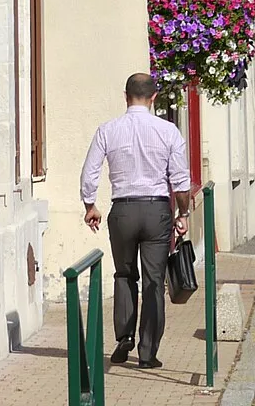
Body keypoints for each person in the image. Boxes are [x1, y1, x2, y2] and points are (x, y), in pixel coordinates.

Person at [79, 73, 192, 369]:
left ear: (125, 96)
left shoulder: (108, 130)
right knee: (154, 281)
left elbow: (89, 172)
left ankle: (124, 337)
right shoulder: (168, 131)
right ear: (154, 97)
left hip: (123, 210)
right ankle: (147, 351)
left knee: (124, 274)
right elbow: (180, 181)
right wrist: (183, 214)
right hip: (156, 210)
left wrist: (90, 204)